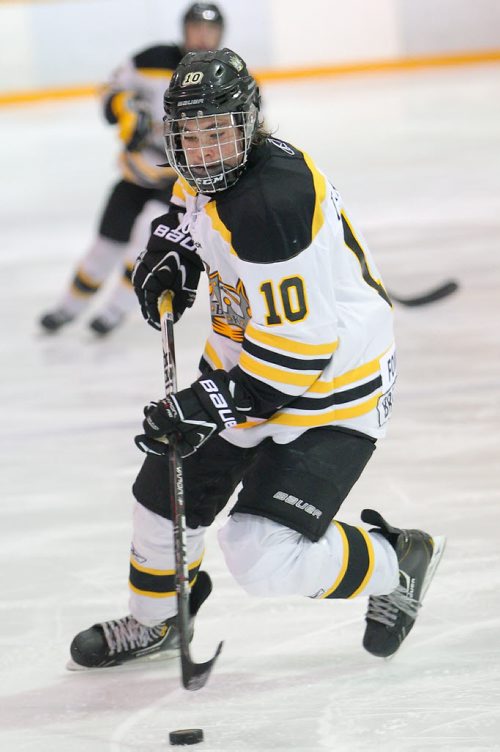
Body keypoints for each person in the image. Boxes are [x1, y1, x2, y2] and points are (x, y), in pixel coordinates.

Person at [69, 48, 445, 669]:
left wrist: (207, 403)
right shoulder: (216, 167)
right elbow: (194, 208)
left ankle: (392, 559)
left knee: (262, 554)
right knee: (161, 496)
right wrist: (178, 246)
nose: (204, 149)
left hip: (331, 389)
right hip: (251, 367)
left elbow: (301, 350)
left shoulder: (273, 204)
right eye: (190, 135)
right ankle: (159, 621)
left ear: (247, 123)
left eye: (217, 133)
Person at [40, 2, 224, 336]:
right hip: (136, 172)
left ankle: (114, 310)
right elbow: (111, 91)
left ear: (220, 34)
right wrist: (125, 110)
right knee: (105, 245)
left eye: (209, 30)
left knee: (144, 238)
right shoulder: (151, 59)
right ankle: (68, 307)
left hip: (181, 181)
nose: (202, 36)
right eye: (196, 28)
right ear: (183, 30)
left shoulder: (226, 72)